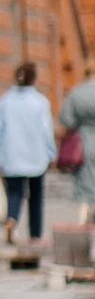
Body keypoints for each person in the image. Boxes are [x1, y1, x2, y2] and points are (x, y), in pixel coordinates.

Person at [0, 61, 55, 246]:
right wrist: (51, 153)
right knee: (36, 196)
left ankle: (12, 221)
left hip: (12, 156)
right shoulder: (41, 102)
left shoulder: (4, 101)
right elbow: (46, 130)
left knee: (15, 193)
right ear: (35, 79)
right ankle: (35, 234)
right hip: (36, 157)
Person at [58, 59, 95, 223]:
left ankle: (82, 225)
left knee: (85, 186)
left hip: (84, 143)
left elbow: (67, 121)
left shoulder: (76, 93)